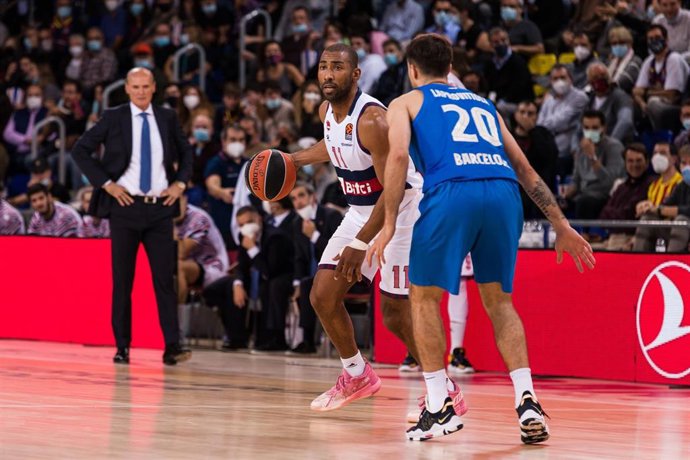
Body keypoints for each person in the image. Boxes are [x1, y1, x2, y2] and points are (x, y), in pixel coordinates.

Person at [369, 34, 594, 442]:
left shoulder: (405, 102)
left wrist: (387, 225)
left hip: (453, 190)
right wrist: (560, 224)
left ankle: (438, 406)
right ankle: (527, 399)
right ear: (451, 67)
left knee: (424, 298)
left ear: (412, 70)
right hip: (504, 193)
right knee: (500, 302)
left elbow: (398, 156)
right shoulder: (484, 104)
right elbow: (524, 167)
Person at [288, 44, 453, 414]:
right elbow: (334, 144)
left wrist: (362, 242)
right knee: (322, 295)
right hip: (362, 210)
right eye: (324, 67)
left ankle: (444, 388)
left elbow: (392, 192)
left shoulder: (374, 120)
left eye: (338, 67)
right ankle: (357, 374)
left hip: (404, 212)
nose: (329, 74)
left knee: (395, 313)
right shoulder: (325, 111)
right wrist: (294, 160)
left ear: (356, 74)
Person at [71, 67, 193, 366]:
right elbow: (80, 150)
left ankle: (172, 346)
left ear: (154, 88)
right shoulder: (114, 117)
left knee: (165, 279)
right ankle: (122, 346)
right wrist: (107, 184)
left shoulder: (167, 117)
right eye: (135, 86)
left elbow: (187, 154)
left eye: (145, 86)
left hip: (160, 208)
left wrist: (179, 184)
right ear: (126, 88)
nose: (140, 91)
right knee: (123, 280)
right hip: (124, 208)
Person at [289, 181, 343, 354]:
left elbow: (337, 252)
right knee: (303, 286)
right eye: (294, 199)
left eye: (301, 196)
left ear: (313, 197)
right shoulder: (297, 223)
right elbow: (298, 257)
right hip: (311, 278)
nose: (298, 202)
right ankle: (307, 340)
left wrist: (315, 236)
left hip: (337, 273)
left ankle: (308, 340)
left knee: (308, 285)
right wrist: (295, 284)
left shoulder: (331, 216)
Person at [633, 144, 690, 252]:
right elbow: (666, 205)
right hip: (679, 233)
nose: (687, 167)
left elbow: (687, 211)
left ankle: (671, 263)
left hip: (684, 228)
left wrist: (660, 209)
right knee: (648, 219)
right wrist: (649, 207)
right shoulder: (682, 185)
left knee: (681, 221)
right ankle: (638, 262)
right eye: (684, 163)